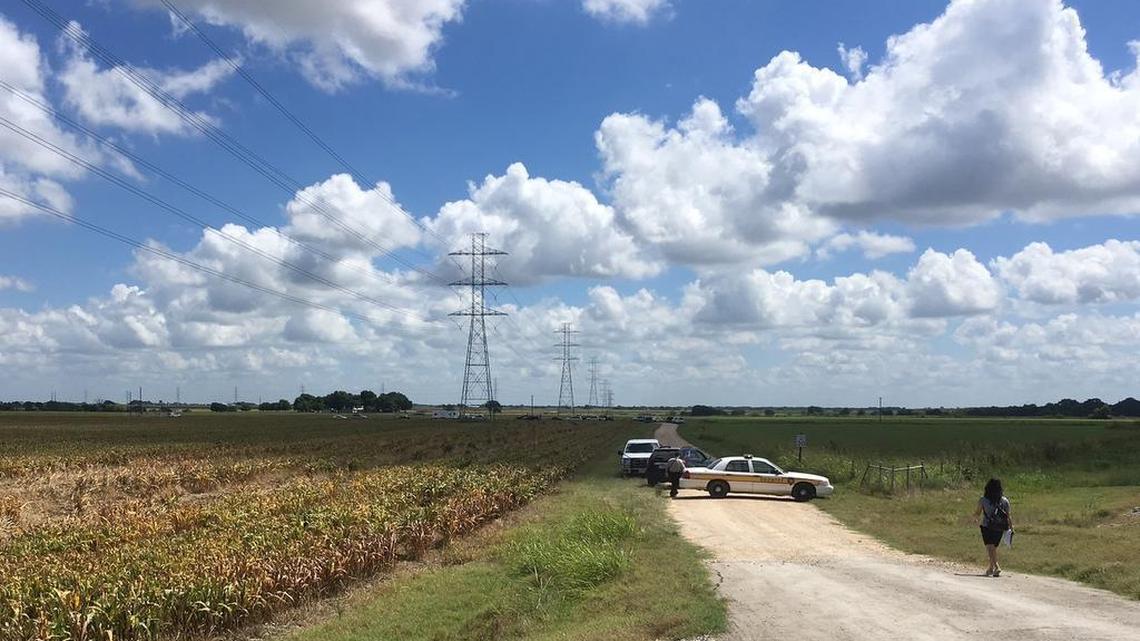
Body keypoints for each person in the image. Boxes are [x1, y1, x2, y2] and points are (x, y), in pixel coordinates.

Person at [973, 478, 1013, 577]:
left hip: (987, 526)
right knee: (993, 548)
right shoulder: (1005, 500)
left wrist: (975, 519)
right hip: (1000, 527)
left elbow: (978, 513)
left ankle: (997, 566)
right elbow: (1008, 515)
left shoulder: (983, 499)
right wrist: (1011, 528)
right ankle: (990, 568)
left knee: (990, 547)